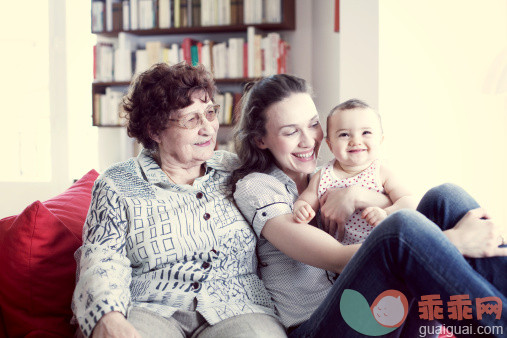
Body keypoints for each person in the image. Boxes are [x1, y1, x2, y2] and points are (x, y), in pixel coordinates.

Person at [231, 74, 507, 337]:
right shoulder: (258, 187)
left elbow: (403, 203)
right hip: (323, 326)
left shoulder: (327, 175)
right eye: (291, 131)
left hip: (382, 309)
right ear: (260, 140)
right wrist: (453, 242)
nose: (308, 141)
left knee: (446, 197)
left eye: (313, 124)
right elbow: (337, 258)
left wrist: (357, 195)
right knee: (401, 228)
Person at [72, 63, 287, 338]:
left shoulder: (239, 171)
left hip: (237, 307)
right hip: (150, 308)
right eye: (191, 119)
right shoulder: (118, 183)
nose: (209, 129)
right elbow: (102, 258)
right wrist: (108, 316)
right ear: (155, 130)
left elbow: (292, 187)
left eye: (210, 113)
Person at [293, 99, 416, 244]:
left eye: (366, 132)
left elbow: (410, 202)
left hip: (384, 245)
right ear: (330, 145)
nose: (355, 141)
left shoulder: (382, 172)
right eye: (344, 134)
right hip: (342, 254)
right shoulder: (323, 175)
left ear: (380, 140)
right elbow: (305, 200)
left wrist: (386, 213)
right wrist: (301, 209)